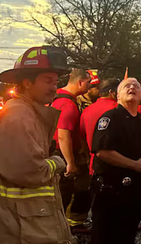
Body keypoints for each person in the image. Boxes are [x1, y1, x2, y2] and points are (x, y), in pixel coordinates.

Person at [0, 46, 72, 243]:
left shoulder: (30, 112)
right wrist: (58, 161)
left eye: (55, 82)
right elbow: (30, 171)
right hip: (23, 226)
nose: (54, 88)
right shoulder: (18, 115)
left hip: (32, 220)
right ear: (27, 82)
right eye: (48, 81)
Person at [91, 77, 141, 244]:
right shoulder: (110, 118)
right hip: (110, 192)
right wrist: (135, 165)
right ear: (117, 95)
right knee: (104, 237)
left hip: (134, 192)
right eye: (127, 86)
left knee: (128, 235)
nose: (131, 87)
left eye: (136, 86)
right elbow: (102, 152)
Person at [52, 68, 92, 226]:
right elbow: (63, 135)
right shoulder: (68, 105)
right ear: (80, 82)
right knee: (66, 194)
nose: (89, 86)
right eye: (88, 82)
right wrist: (70, 162)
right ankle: (65, 227)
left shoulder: (55, 98)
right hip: (62, 155)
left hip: (53, 152)